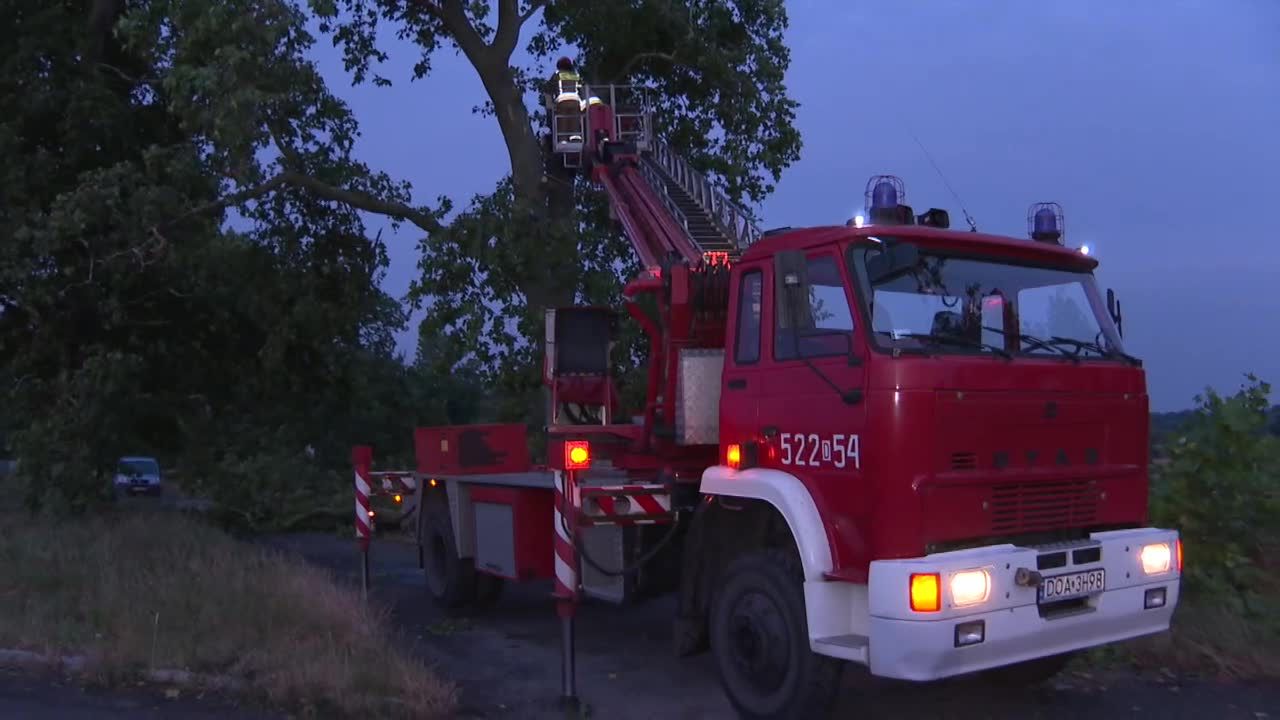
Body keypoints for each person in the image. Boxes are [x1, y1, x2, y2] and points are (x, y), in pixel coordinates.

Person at [547, 57, 583, 143]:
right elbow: (581, 89)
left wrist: (550, 105)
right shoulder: (576, 75)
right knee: (574, 118)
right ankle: (575, 137)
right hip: (575, 100)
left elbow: (549, 89)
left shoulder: (557, 74)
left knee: (562, 119)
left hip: (562, 100)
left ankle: (562, 139)